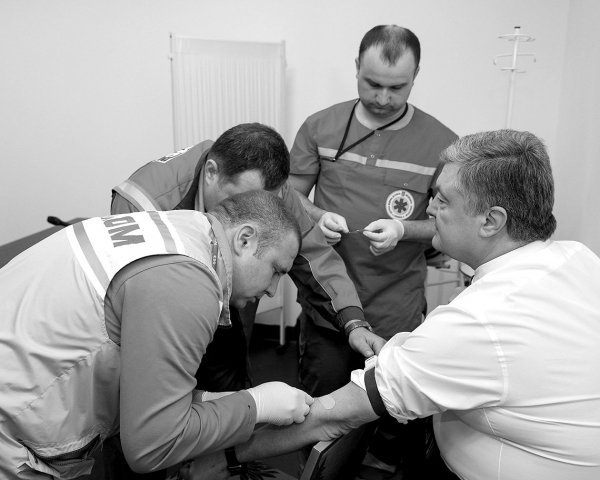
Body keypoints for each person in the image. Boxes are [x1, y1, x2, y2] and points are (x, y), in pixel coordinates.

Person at [186, 129, 600, 480]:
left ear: (491, 221)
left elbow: (335, 415)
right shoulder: (577, 257)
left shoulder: (481, 320)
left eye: (443, 200)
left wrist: (222, 457)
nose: (430, 209)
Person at [0, 191, 315, 479]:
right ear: (244, 239)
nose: (273, 290)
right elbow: (152, 446)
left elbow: (149, 384)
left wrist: (212, 401)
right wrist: (256, 405)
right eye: (276, 270)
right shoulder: (188, 281)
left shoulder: (180, 227)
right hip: (12, 420)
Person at [288, 25, 456, 476]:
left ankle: (378, 467)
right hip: (328, 298)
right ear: (356, 69)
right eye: (372, 83)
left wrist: (405, 229)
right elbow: (290, 196)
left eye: (397, 87)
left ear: (416, 76)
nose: (382, 98)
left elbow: (449, 225)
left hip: (395, 302)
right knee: (320, 401)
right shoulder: (321, 127)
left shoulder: (442, 144)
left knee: (392, 408)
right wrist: (316, 216)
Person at [112, 123, 384, 394]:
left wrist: (353, 323)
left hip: (233, 294)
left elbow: (315, 257)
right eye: (241, 202)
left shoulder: (272, 191)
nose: (251, 219)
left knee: (231, 379)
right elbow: (141, 320)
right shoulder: (142, 205)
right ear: (212, 173)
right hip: (165, 306)